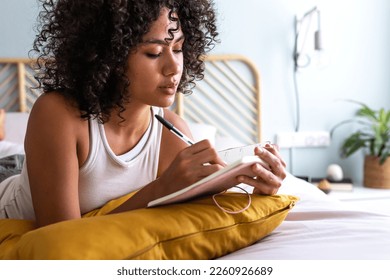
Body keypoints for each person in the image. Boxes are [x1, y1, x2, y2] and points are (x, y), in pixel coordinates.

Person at [0, 0, 286, 227]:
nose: (174, 68)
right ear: (107, 55)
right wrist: (162, 187)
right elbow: (60, 239)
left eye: (178, 48)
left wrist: (254, 186)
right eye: (153, 53)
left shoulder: (173, 136)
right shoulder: (58, 114)